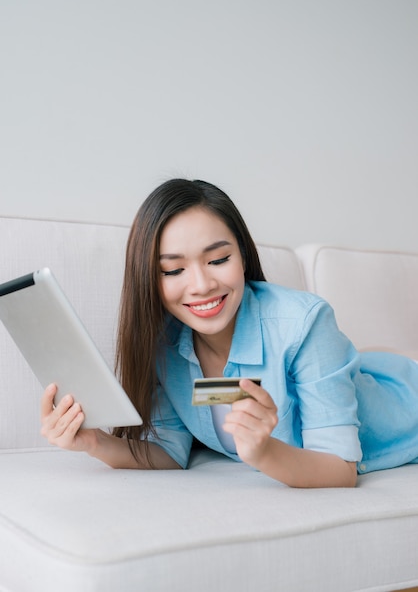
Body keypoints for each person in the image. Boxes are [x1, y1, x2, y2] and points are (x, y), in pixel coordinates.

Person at [40, 178, 418, 488]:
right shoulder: (165, 345)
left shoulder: (303, 322)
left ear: (242, 255)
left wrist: (263, 453)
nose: (202, 285)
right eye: (173, 270)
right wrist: (93, 441)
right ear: (149, 281)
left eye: (219, 260)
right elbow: (170, 451)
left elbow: (339, 470)